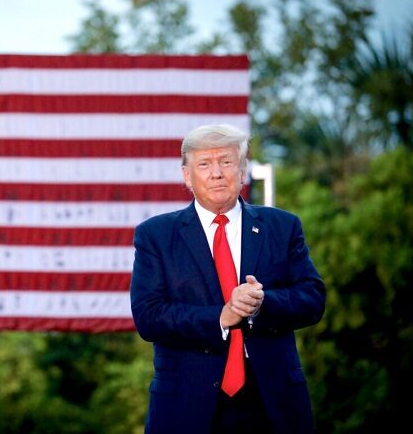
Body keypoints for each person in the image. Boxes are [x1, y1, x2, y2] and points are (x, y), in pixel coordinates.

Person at [130, 123, 326, 434]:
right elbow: (149, 316)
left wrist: (262, 303)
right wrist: (222, 316)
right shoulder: (156, 235)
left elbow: (313, 298)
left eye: (226, 161)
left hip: (272, 403)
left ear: (243, 168)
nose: (216, 173)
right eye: (204, 164)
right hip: (186, 406)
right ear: (186, 175)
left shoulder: (283, 226)